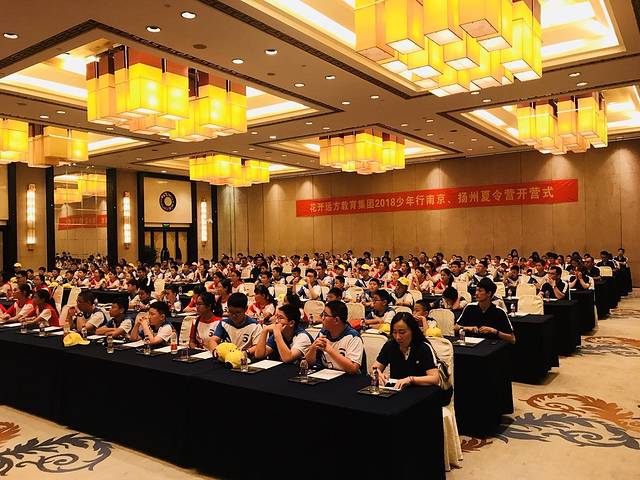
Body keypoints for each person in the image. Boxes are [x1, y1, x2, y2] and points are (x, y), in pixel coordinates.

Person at [370, 312, 440, 390]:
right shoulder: (390, 345)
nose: (398, 337)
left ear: (412, 331)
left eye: (402, 332)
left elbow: (435, 378)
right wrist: (377, 374)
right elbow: (374, 368)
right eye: (394, 332)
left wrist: (410, 379)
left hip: (420, 390)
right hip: (396, 390)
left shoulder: (423, 347)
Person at [304, 300, 363, 374]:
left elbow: (353, 369)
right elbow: (308, 363)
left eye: (325, 315)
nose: (322, 318)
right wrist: (313, 348)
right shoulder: (323, 333)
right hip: (326, 376)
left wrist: (330, 350)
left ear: (336, 320)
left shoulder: (353, 337)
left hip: (348, 378)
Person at [455, 278, 515, 344]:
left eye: (480, 291)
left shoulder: (499, 312)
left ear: (489, 293)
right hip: (471, 345)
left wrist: (494, 331)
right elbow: (456, 327)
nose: (476, 293)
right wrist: (468, 328)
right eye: (476, 290)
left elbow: (512, 339)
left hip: (490, 346)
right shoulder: (469, 307)